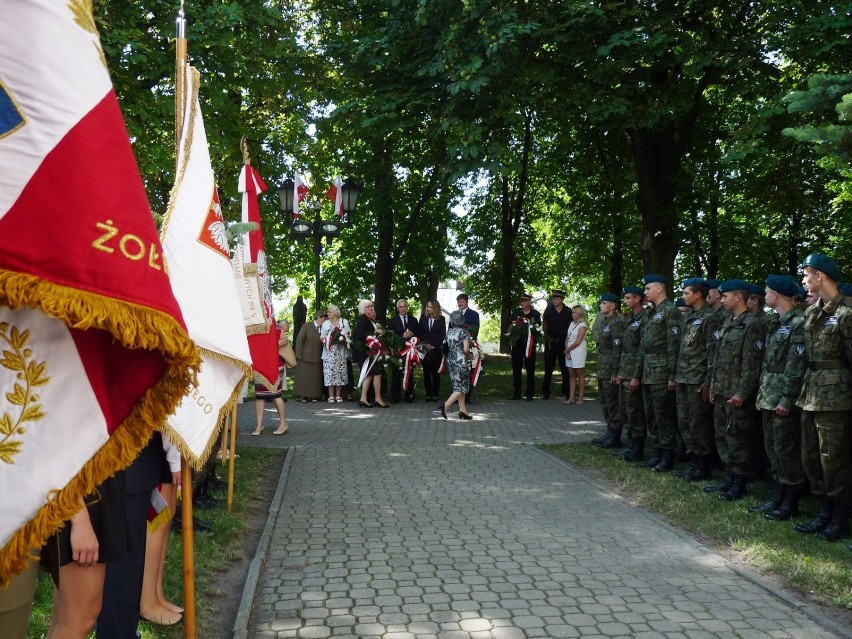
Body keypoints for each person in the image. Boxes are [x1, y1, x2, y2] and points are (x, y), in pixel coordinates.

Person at [794, 253, 852, 541]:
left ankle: (839, 515)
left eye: (806, 275)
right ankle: (823, 510)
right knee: (812, 456)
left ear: (820, 276)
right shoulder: (812, 312)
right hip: (812, 393)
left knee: (834, 458)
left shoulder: (847, 313)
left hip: (836, 397)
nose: (803, 281)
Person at [97, 435, 170, 639]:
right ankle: (117, 632)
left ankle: (123, 629)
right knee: (123, 564)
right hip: (123, 458)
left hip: (132, 460)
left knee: (129, 562)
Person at [751, 275, 808, 521]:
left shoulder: (799, 322)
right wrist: (762, 393)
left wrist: (786, 399)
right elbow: (767, 363)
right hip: (769, 394)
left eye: (766, 292)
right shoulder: (776, 322)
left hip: (784, 396)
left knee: (786, 451)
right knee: (773, 449)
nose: (764, 296)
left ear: (776, 295)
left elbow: (796, 366)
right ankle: (778, 496)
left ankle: (790, 502)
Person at [705, 279, 766, 501]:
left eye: (725, 296)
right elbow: (718, 358)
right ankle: (728, 477)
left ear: (738, 297)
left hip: (737, 393)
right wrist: (713, 385)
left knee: (738, 438)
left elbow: (752, 364)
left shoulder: (752, 324)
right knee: (722, 435)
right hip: (721, 388)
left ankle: (739, 482)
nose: (722, 300)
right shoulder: (728, 321)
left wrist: (742, 393)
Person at [631, 274, 683, 473]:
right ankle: (657, 452)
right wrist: (638, 373)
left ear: (659, 289)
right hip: (648, 371)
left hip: (662, 371)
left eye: (648, 289)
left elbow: (674, 345)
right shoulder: (652, 313)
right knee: (651, 414)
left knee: (664, 415)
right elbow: (644, 347)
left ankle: (668, 455)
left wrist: (672, 375)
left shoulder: (671, 312)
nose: (645, 293)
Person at [673, 278, 721, 481]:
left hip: (697, 379)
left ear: (697, 295)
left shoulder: (710, 318)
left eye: (686, 293)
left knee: (698, 423)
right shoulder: (689, 317)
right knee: (684, 421)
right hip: (684, 377)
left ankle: (703, 466)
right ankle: (693, 461)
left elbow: (713, 352)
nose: (683, 297)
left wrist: (708, 380)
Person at [139, 436, 182, 625]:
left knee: (167, 512)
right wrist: (175, 458)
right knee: (157, 517)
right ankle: (147, 602)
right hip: (154, 436)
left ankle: (156, 594)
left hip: (167, 439)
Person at [614, 286, 649, 461]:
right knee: (625, 409)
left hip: (635, 372)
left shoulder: (645, 319)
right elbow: (625, 350)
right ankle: (630, 444)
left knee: (635, 410)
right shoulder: (630, 319)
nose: (626, 301)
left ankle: (638, 447)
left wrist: (636, 375)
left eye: (628, 298)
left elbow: (641, 350)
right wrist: (620, 371)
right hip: (625, 371)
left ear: (637, 299)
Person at [592, 293, 624, 447]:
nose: (600, 305)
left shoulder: (617, 323)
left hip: (610, 367)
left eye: (603, 303)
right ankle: (609, 432)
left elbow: (617, 350)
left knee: (612, 403)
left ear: (612, 306)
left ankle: (615, 435)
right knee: (605, 401)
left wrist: (615, 371)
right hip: (602, 367)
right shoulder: (605, 321)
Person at [252, 321, 289, 435]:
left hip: (275, 364)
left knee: (275, 394)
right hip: (260, 364)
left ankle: (283, 424)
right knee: (259, 396)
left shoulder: (275, 326)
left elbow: (284, 340)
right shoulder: (254, 326)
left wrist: (270, 345)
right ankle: (259, 425)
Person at [353, 299, 389, 408]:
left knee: (372, 375)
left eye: (371, 306)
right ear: (363, 309)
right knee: (372, 374)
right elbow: (359, 335)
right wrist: (374, 333)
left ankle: (366, 398)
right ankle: (373, 398)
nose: (371, 308)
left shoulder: (371, 320)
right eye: (368, 307)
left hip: (373, 352)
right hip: (367, 352)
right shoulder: (363, 318)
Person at [440, 310, 473, 419]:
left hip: (451, 361)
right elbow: (466, 349)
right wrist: (470, 355)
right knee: (462, 387)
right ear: (462, 321)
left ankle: (463, 411)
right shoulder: (464, 333)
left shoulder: (449, 332)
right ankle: (445, 406)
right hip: (461, 362)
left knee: (457, 386)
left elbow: (444, 347)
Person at [509, 293, 542, 401]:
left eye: (524, 301)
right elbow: (511, 326)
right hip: (517, 345)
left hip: (529, 345)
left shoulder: (535, 314)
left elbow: (538, 329)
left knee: (530, 369)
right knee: (516, 369)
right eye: (521, 301)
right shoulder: (516, 312)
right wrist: (510, 334)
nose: (522, 303)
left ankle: (530, 394)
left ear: (529, 303)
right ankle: (516, 393)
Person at [388, 298, 421, 403]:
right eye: (400, 307)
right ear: (398, 308)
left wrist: (413, 334)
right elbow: (390, 335)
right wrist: (402, 335)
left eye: (404, 306)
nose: (402, 309)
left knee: (409, 373)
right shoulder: (393, 321)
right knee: (396, 374)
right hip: (398, 351)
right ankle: (395, 398)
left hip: (410, 351)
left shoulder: (413, 320)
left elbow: (418, 333)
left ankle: (409, 397)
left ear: (407, 307)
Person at [541, 289, 571, 400]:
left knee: (565, 368)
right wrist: (547, 337)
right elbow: (545, 325)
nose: (555, 301)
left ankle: (566, 392)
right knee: (548, 368)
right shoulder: (548, 311)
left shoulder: (568, 311)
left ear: (562, 300)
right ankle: (545, 392)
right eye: (553, 299)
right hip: (551, 343)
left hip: (564, 343)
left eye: (557, 299)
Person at [320, 304, 351, 403]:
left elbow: (348, 335)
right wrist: (325, 340)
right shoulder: (325, 323)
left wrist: (343, 339)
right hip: (329, 353)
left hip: (340, 352)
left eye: (329, 312)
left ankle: (338, 395)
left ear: (335, 313)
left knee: (340, 373)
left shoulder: (344, 322)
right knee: (329, 373)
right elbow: (321, 337)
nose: (327, 313)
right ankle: (331, 396)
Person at [294, 311, 325, 402]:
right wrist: (298, 354)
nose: (325, 319)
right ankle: (304, 396)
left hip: (318, 356)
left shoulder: (323, 327)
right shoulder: (307, 326)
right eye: (324, 317)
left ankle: (314, 395)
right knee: (304, 376)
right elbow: (299, 339)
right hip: (305, 356)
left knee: (315, 377)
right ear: (318, 317)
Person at [420, 300, 447, 402]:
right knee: (426, 373)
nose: (428, 309)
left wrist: (434, 345)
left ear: (436, 308)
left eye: (431, 307)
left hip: (436, 349)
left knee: (435, 373)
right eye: (428, 307)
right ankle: (428, 394)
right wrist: (425, 344)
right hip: (425, 349)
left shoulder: (441, 319)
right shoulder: (423, 318)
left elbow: (442, 334)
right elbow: (420, 331)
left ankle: (435, 394)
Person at [564, 305, 588, 404]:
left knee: (580, 373)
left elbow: (578, 341)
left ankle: (581, 398)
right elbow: (567, 337)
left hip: (578, 350)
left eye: (574, 312)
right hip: (569, 350)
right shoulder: (571, 324)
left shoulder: (583, 325)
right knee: (571, 374)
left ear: (579, 313)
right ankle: (571, 397)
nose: (572, 314)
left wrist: (567, 350)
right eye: (572, 312)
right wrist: (567, 350)